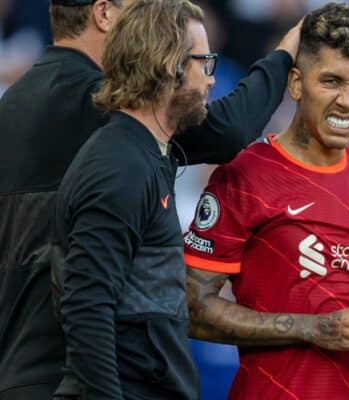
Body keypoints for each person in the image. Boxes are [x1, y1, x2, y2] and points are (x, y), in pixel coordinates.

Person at [0, 0, 300, 398]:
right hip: (82, 372)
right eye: (140, 6)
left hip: (22, 362)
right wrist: (283, 56)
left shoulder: (11, 105)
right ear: (104, 13)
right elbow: (227, 131)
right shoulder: (112, 121)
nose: (152, 19)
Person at [183, 3, 349, 399]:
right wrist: (313, 328)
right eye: (331, 81)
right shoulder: (246, 175)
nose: (348, 101)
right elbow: (192, 308)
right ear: (295, 84)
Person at [50, 0, 247, 398]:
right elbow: (87, 307)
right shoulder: (120, 168)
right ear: (168, 66)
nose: (212, 80)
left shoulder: (147, 155)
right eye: (203, 63)